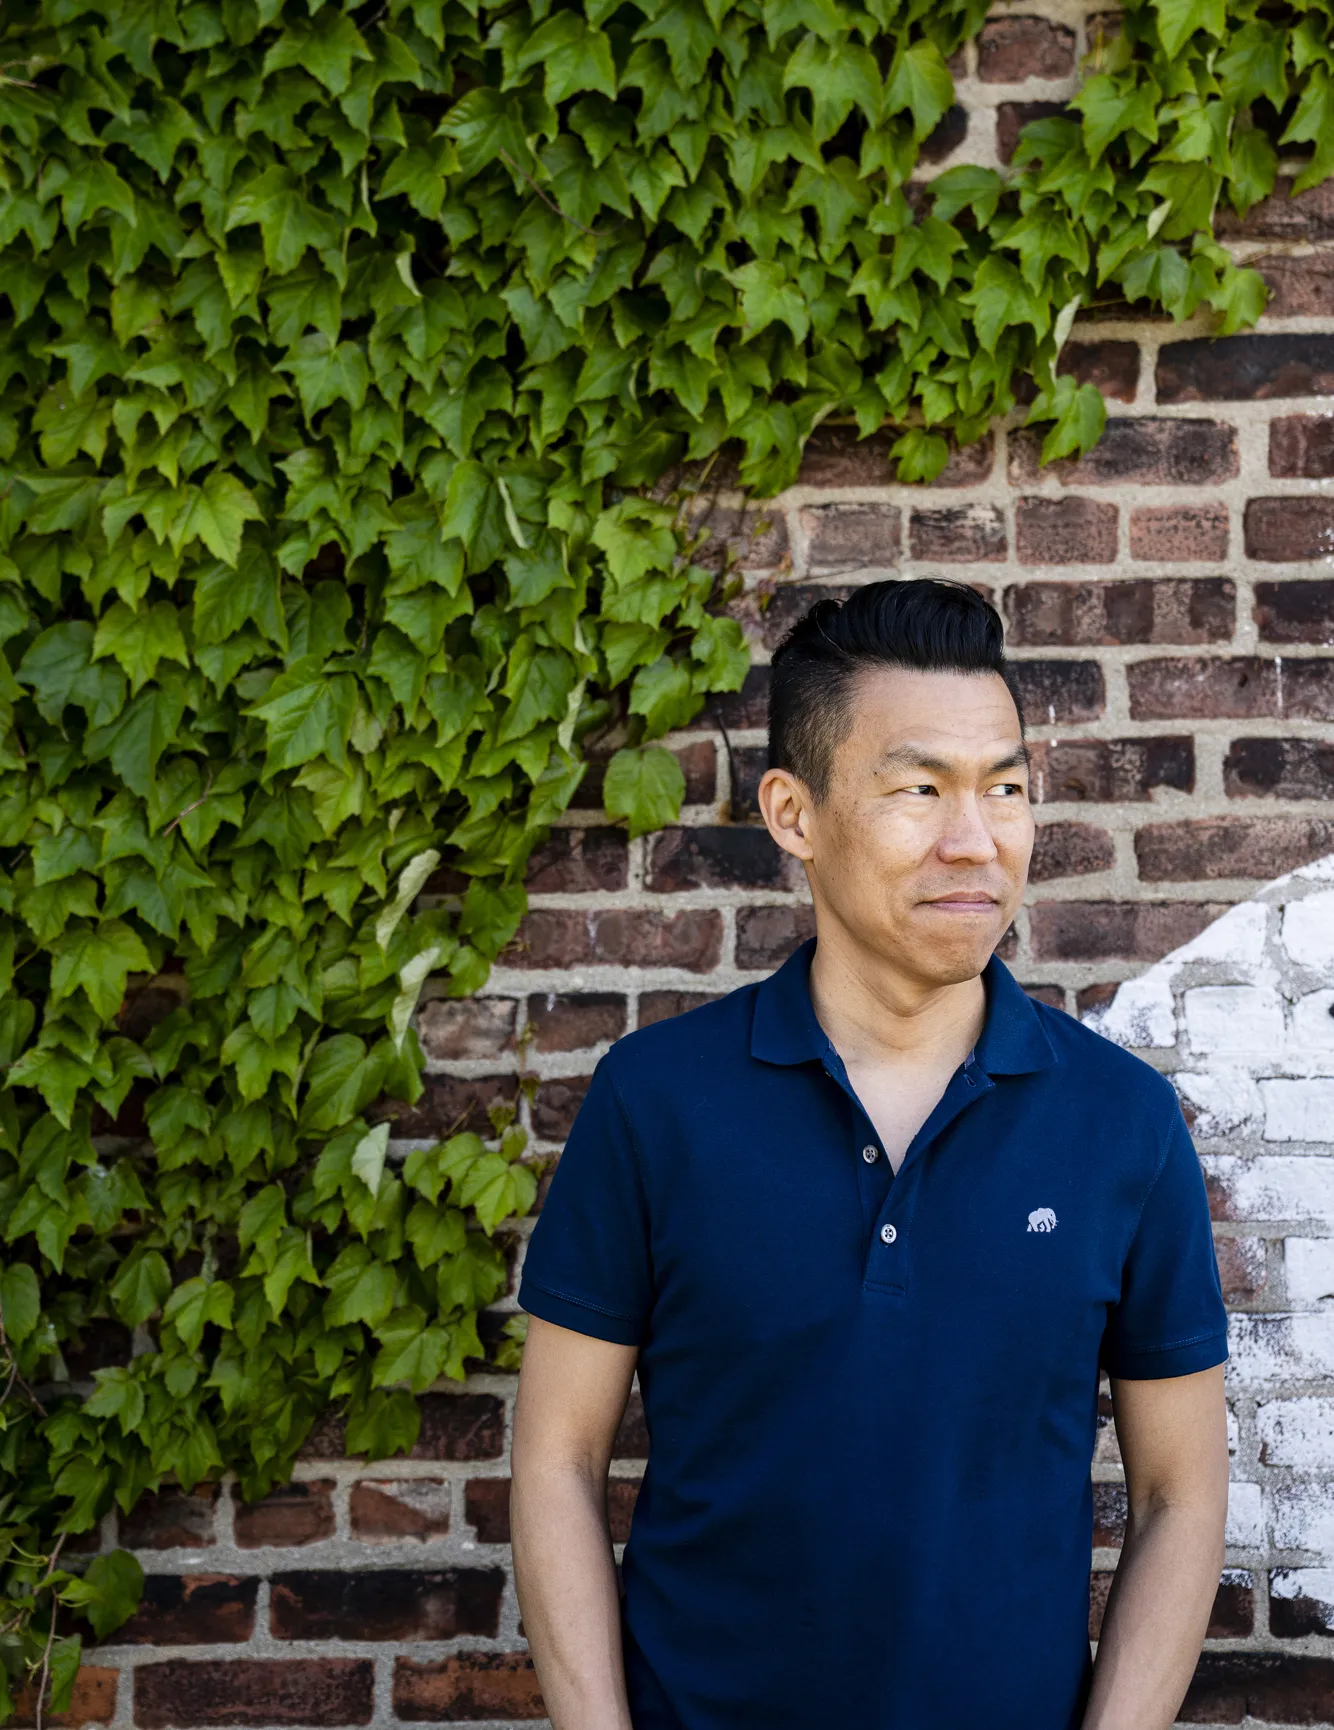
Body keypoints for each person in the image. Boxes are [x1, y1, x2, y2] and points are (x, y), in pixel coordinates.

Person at [510, 578, 1230, 1730]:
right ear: (793, 815)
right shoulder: (656, 1103)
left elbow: (1177, 1493)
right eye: (916, 789)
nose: (973, 838)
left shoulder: (1120, 1123)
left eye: (1004, 787)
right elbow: (556, 1454)